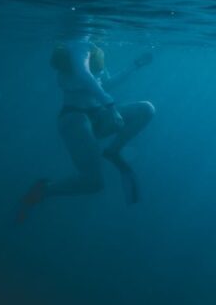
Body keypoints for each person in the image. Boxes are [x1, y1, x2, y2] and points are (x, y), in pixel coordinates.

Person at [18, 40, 154, 222]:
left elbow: (104, 84)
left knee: (146, 109)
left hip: (98, 114)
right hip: (75, 119)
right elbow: (84, 77)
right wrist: (111, 106)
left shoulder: (92, 48)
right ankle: (44, 190)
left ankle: (112, 151)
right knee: (93, 183)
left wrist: (134, 66)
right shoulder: (79, 47)